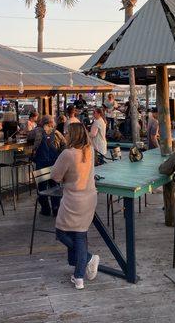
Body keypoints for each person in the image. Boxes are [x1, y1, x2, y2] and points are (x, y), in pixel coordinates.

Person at [51, 123, 99, 290]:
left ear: (72, 135)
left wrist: (65, 178)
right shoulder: (90, 151)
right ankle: (79, 277)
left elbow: (55, 176)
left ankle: (88, 258)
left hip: (73, 200)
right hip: (89, 198)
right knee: (80, 235)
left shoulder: (68, 154)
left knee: (60, 232)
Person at [27, 115, 66, 216]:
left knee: (42, 188)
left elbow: (28, 136)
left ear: (42, 122)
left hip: (42, 163)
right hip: (54, 164)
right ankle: (56, 208)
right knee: (55, 186)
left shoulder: (38, 131)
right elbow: (65, 145)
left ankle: (45, 209)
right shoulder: (57, 133)